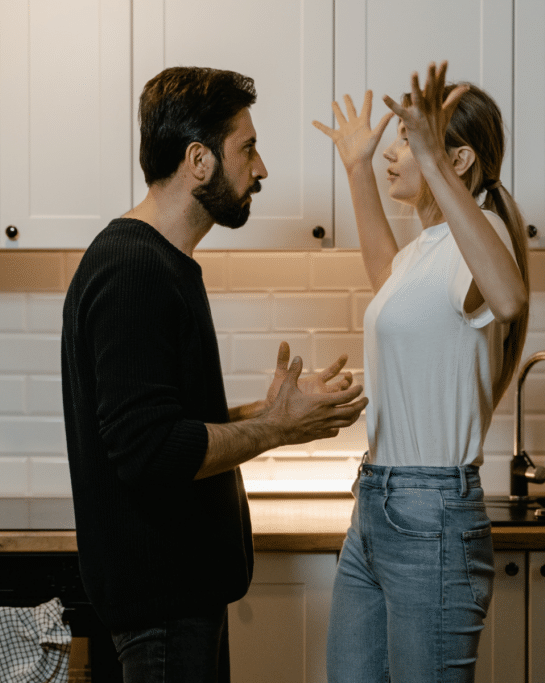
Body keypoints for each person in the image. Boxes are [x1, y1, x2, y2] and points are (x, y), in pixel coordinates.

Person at [61, 65, 368, 683]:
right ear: (199, 160)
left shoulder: (158, 263)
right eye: (247, 148)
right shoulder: (134, 272)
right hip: (163, 607)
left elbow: (165, 424)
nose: (260, 169)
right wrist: (278, 430)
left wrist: (270, 411)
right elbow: (151, 452)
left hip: (176, 601)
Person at [313, 60, 531, 682]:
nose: (396, 148)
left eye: (411, 137)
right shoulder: (428, 248)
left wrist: (432, 161)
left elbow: (508, 298)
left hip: (431, 511)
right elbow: (387, 278)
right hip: (377, 504)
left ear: (456, 160)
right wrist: (357, 168)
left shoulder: (481, 231)